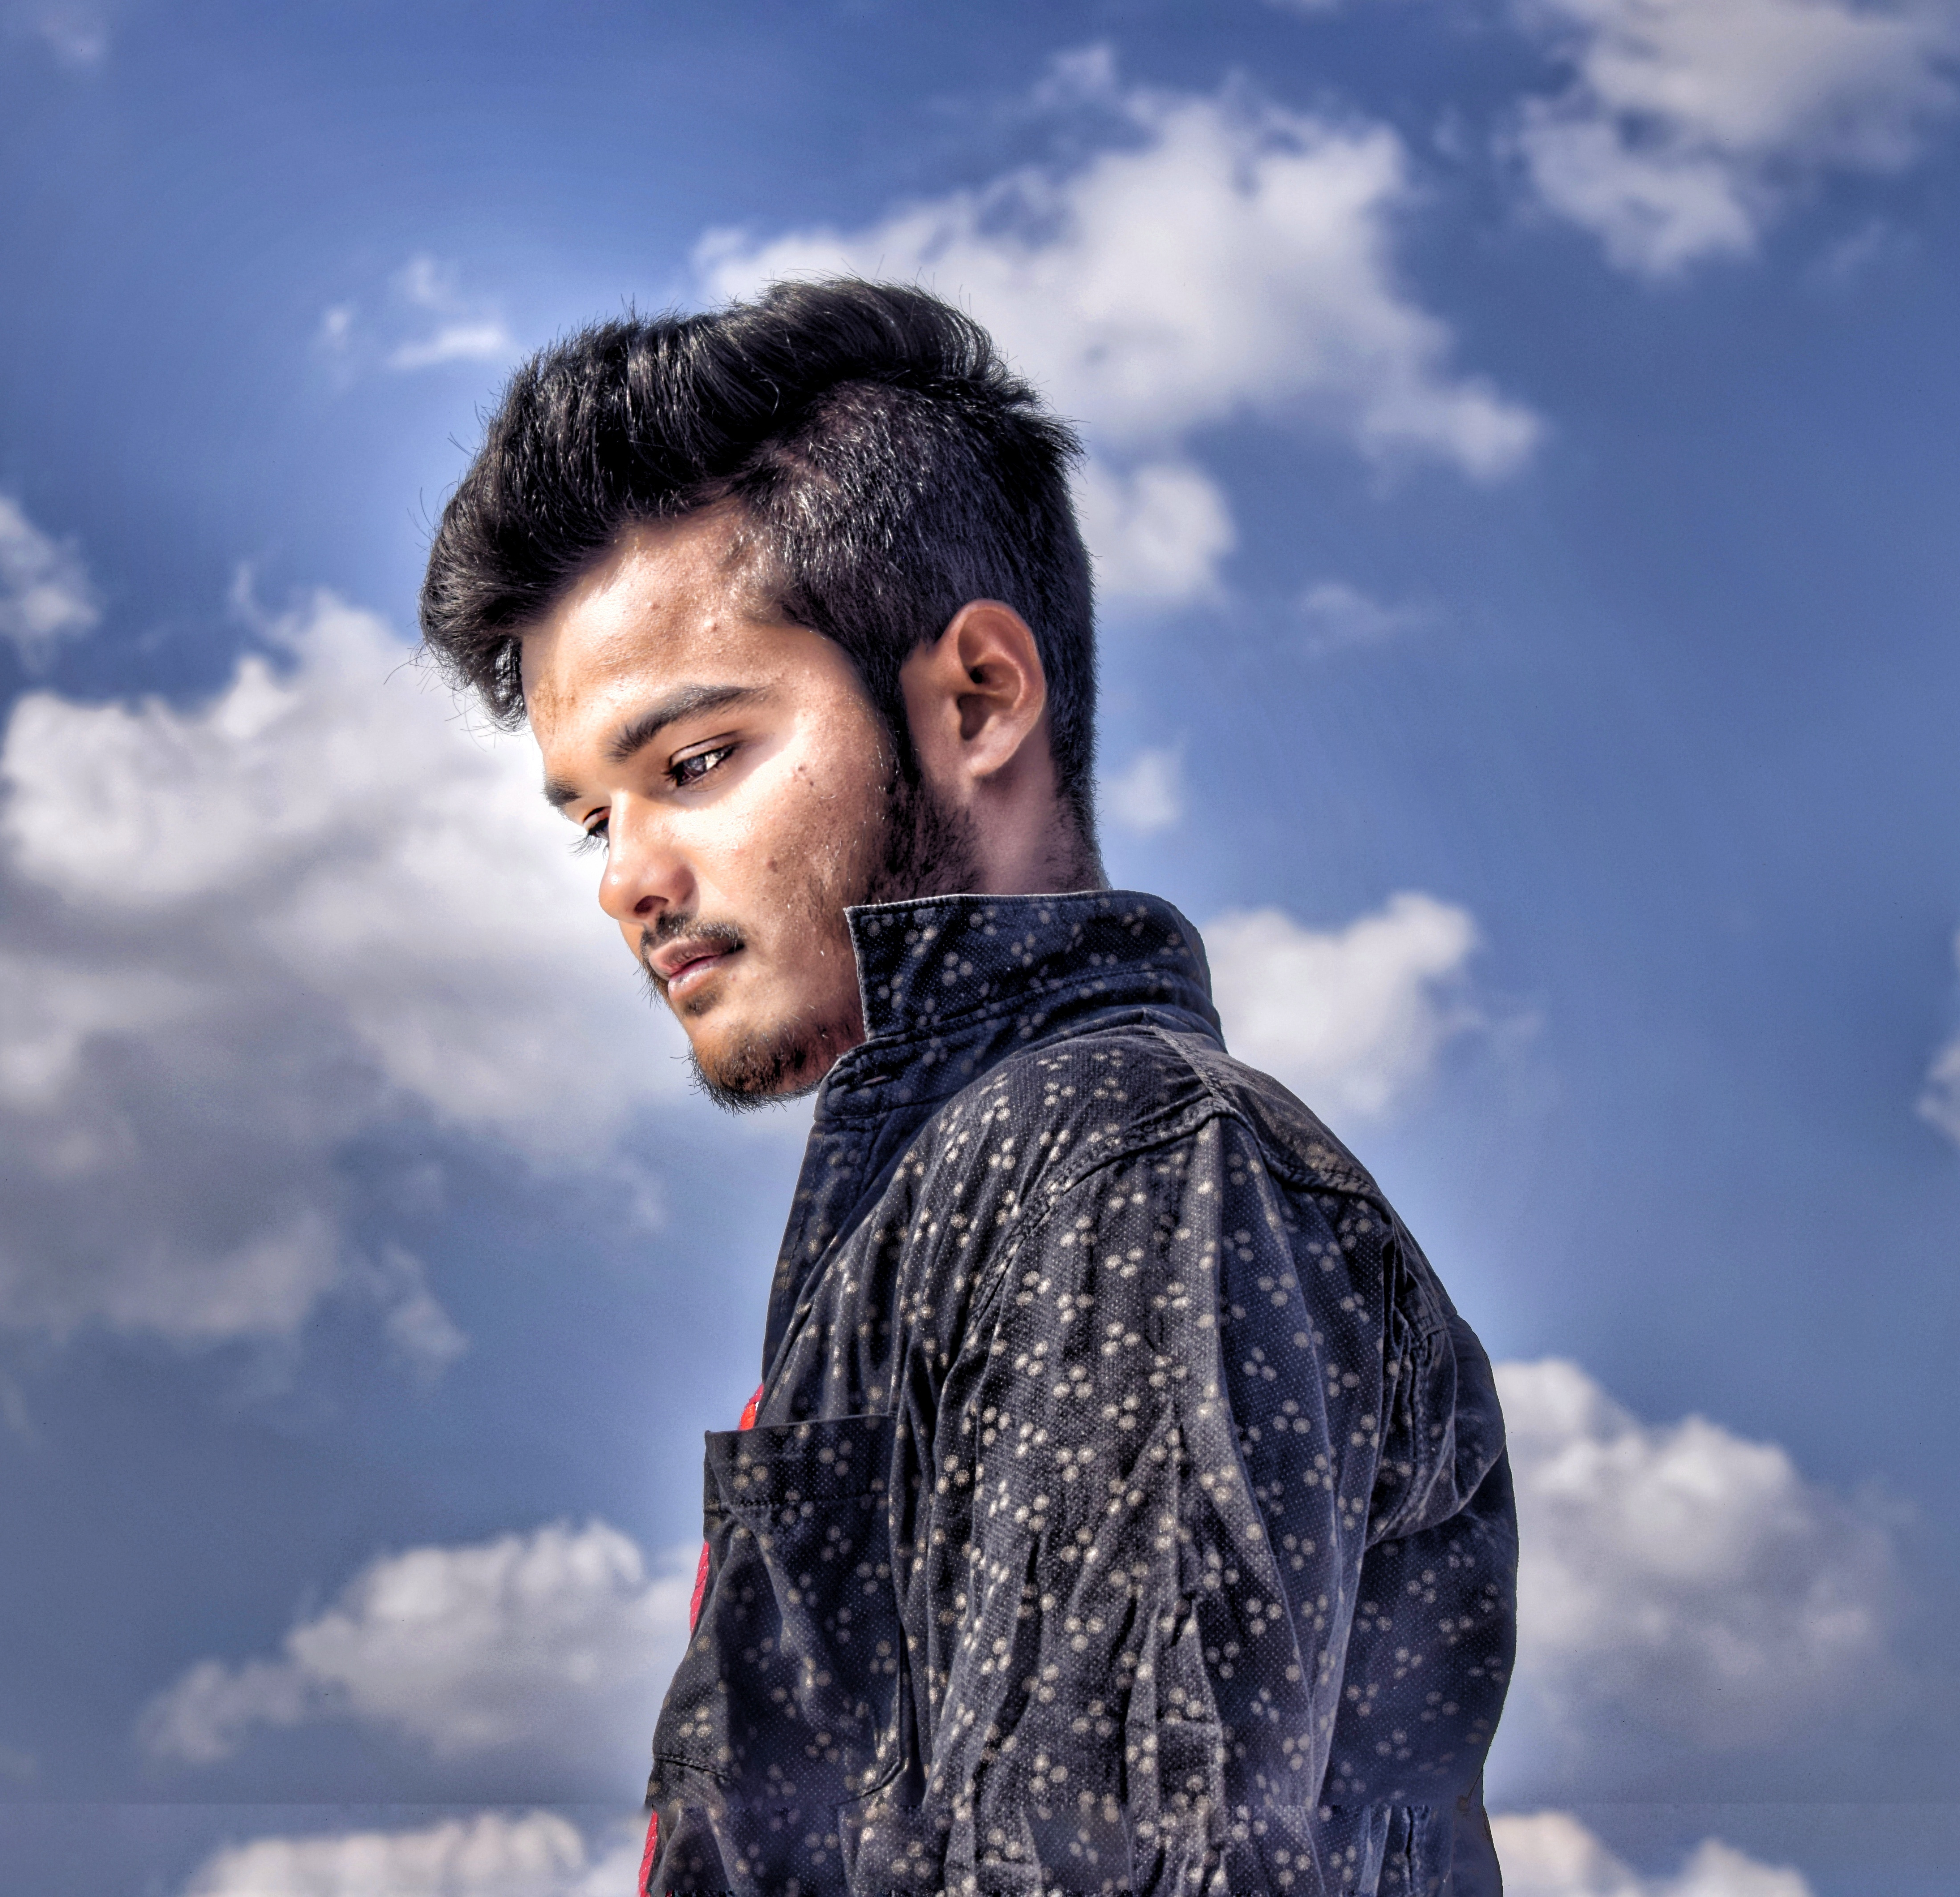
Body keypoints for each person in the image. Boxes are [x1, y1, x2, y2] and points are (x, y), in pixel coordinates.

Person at [419, 280, 1516, 1897]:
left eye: (695, 764)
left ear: (978, 698)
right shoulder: (951, 1211)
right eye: (594, 819)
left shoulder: (1115, 1164)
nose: (625, 881)